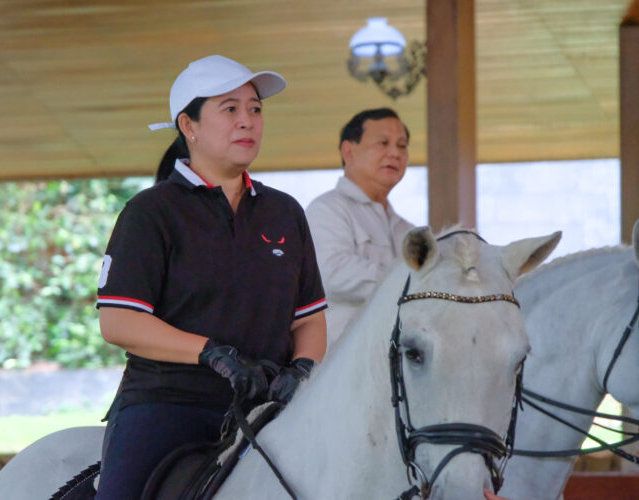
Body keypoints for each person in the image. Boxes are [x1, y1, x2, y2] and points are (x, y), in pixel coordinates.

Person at [94, 55, 327, 499]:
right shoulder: (150, 212)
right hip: (169, 404)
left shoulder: (285, 212)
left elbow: (309, 319)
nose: (247, 121)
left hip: (269, 408)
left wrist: (301, 369)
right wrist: (212, 354)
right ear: (189, 125)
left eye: (255, 109)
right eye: (230, 109)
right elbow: (119, 322)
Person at [305, 108, 414, 351]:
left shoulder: (408, 231)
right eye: (383, 143)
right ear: (349, 152)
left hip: (395, 363)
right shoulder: (327, 209)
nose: (395, 153)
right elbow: (332, 273)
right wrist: (411, 281)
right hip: (339, 361)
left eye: (402, 146)